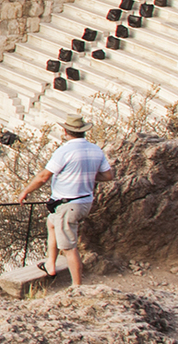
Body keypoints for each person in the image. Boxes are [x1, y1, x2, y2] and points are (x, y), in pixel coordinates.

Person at [16, 113, 111, 288]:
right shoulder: (95, 149)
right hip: (85, 202)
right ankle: (50, 265)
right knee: (51, 223)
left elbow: (44, 177)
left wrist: (26, 191)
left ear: (66, 131)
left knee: (68, 247)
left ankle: (77, 287)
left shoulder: (64, 151)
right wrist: (86, 176)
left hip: (68, 204)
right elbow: (108, 175)